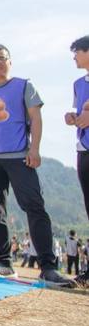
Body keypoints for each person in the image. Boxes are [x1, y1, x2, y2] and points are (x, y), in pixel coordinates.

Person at [0, 44, 75, 289]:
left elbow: (35, 117)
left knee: (34, 206)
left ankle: (48, 267)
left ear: (10, 61)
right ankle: (3, 263)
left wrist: (34, 149)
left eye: (1, 59)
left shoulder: (24, 86)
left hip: (19, 156)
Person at [64, 35, 89, 222]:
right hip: (84, 149)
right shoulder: (78, 85)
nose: (74, 58)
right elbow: (80, 111)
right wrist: (72, 117)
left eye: (77, 53)